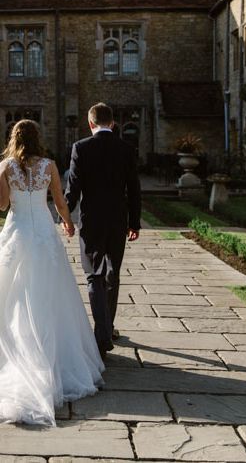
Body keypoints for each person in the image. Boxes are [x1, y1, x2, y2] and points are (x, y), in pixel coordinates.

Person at [0, 120, 104, 426]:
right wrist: (68, 223)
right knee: (50, 294)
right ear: (37, 138)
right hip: (44, 233)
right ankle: (56, 357)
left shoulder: (5, 166)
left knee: (14, 293)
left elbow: (4, 205)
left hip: (18, 231)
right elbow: (59, 201)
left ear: (14, 138)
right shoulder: (49, 165)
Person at [65, 103, 141, 360]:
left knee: (94, 275)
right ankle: (107, 328)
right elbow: (134, 189)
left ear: (90, 124)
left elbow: (73, 187)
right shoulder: (126, 149)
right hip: (118, 220)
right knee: (112, 273)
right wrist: (135, 222)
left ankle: (102, 334)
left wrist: (66, 216)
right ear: (112, 123)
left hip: (92, 221)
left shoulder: (81, 148)